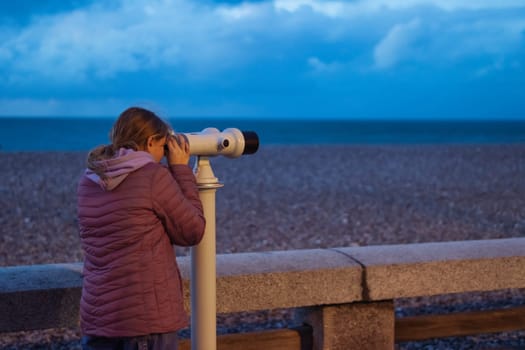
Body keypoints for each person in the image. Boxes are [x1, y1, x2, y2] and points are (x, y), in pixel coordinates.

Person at [77, 107, 205, 350]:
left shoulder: (89, 179)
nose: (163, 154)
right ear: (150, 141)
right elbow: (192, 231)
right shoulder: (153, 176)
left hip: (98, 317)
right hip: (145, 324)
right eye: (162, 147)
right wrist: (180, 169)